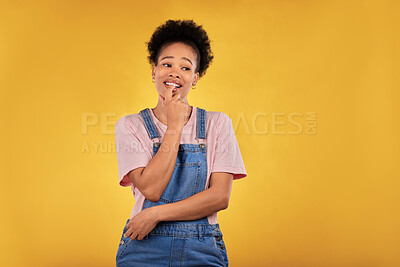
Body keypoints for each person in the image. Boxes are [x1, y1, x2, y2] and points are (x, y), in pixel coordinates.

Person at [114, 19, 247, 267]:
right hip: (144, 246)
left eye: (185, 68)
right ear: (154, 71)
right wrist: (175, 126)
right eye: (167, 64)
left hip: (202, 246)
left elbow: (219, 197)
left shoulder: (218, 124)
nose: (175, 72)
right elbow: (151, 189)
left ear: (195, 78)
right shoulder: (130, 126)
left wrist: (155, 214)